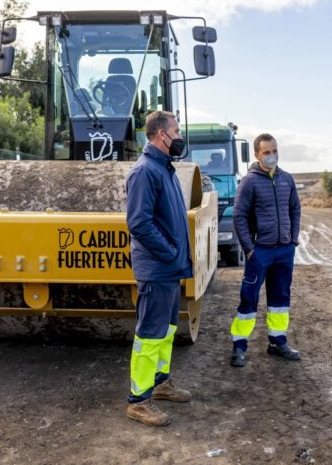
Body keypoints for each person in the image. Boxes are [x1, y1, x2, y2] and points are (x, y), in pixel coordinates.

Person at [125, 110, 193, 426]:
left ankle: (160, 383)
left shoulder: (164, 169)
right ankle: (139, 401)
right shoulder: (145, 171)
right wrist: (168, 253)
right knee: (150, 335)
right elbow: (139, 222)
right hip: (157, 268)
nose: (179, 137)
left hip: (169, 268)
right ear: (160, 135)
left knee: (165, 333)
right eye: (176, 131)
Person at [229, 133, 301, 367]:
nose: (272, 156)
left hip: (284, 251)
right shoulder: (249, 182)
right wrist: (250, 250)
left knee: (280, 299)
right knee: (248, 299)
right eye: (266, 152)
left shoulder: (287, 180)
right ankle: (239, 347)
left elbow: (295, 211)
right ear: (257, 155)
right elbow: (238, 216)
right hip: (260, 251)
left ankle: (277, 342)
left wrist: (293, 240)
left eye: (274, 151)